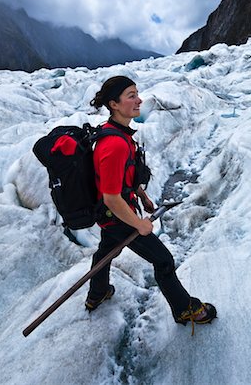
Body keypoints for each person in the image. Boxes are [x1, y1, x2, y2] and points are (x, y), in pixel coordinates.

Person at [86, 75, 216, 332]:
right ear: (114, 104)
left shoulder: (118, 133)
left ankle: (97, 293)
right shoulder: (114, 144)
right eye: (131, 95)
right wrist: (139, 224)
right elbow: (112, 195)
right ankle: (183, 309)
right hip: (117, 214)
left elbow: (121, 178)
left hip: (111, 212)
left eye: (137, 93)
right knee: (164, 260)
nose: (139, 100)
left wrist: (140, 194)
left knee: (106, 251)